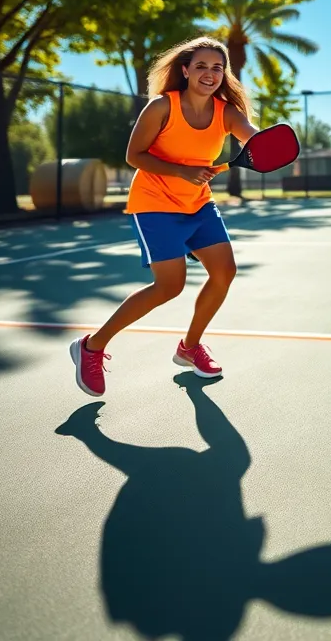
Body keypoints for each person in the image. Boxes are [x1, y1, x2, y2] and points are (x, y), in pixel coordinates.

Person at [69, 36, 261, 397]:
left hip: (198, 204)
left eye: (217, 67)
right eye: (201, 66)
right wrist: (181, 171)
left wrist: (267, 144)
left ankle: (189, 347)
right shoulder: (161, 107)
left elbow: (255, 139)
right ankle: (91, 347)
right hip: (154, 203)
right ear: (185, 70)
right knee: (169, 286)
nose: (209, 73)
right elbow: (135, 155)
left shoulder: (227, 111)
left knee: (224, 272)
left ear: (225, 73)